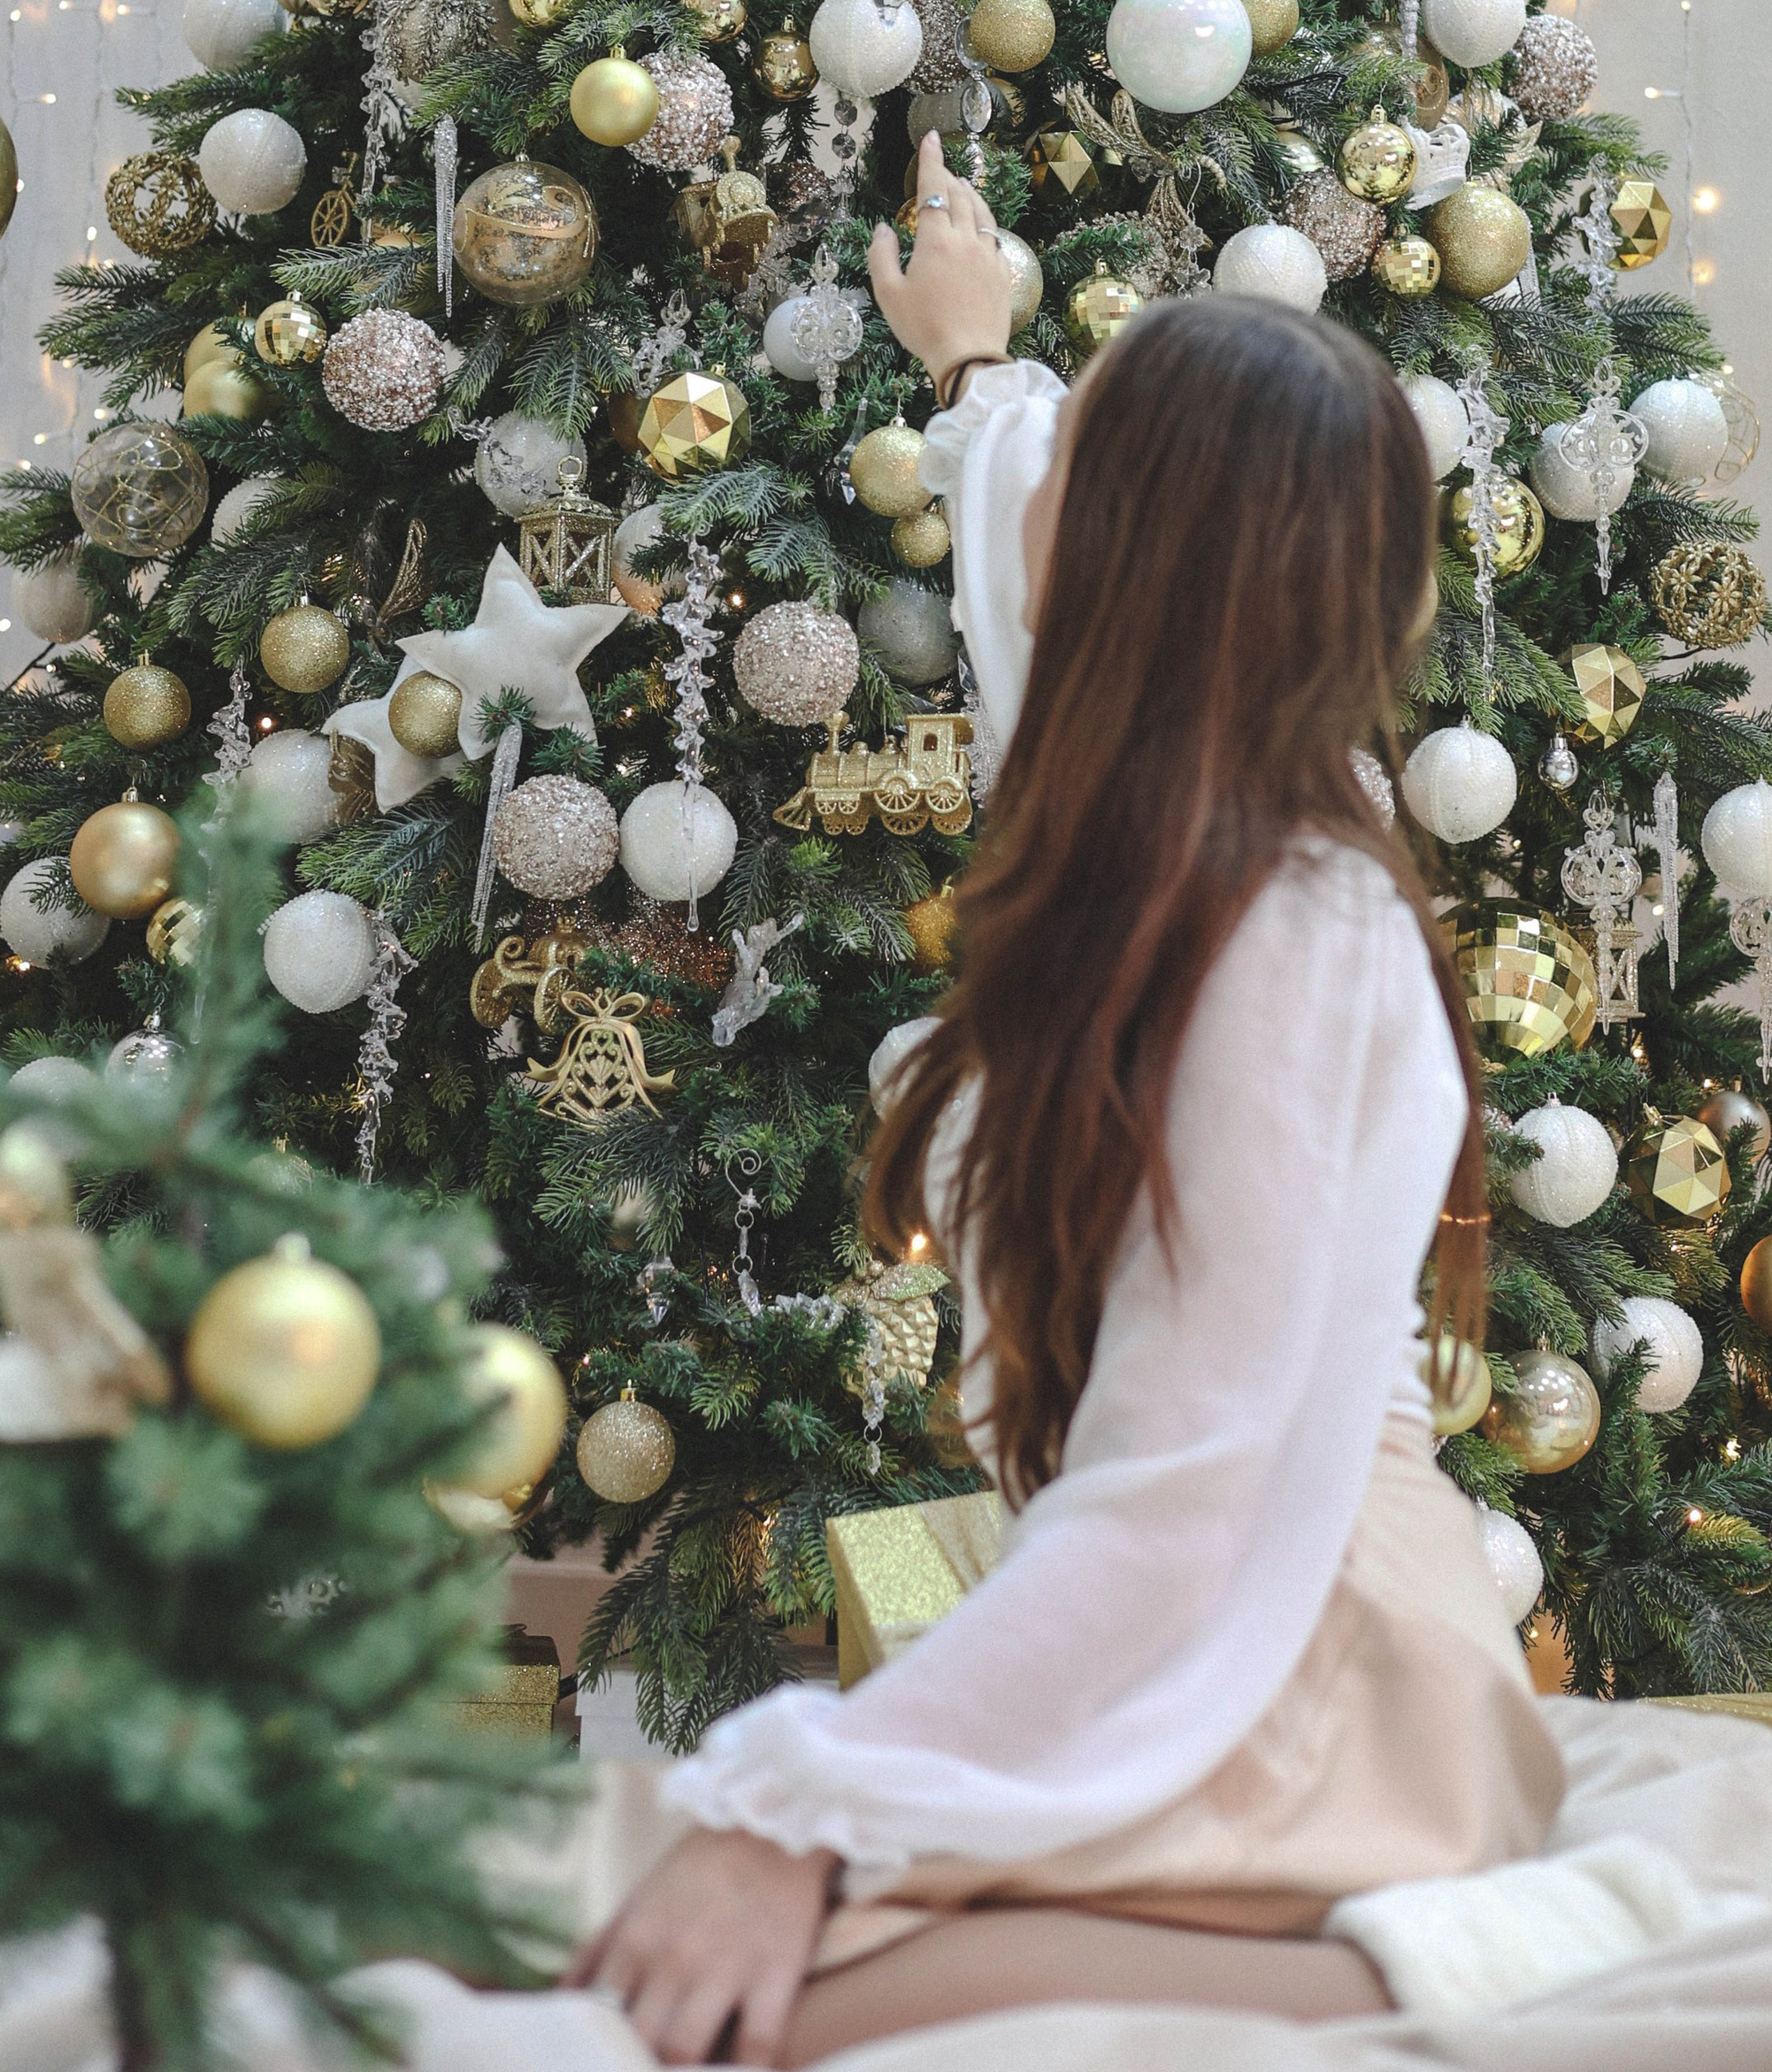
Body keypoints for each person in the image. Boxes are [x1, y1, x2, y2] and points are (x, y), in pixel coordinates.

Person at [571, 132, 1562, 2065]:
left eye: (1073, 464)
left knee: (736, 2020)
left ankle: (1467, 1969)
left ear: (1139, 555)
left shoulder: (1292, 927)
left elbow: (1186, 1490)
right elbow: (1026, 554)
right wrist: (970, 360)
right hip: (1205, 1645)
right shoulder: (1150, 841)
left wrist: (795, 1811)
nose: (1024, 489)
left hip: (1321, 1694)